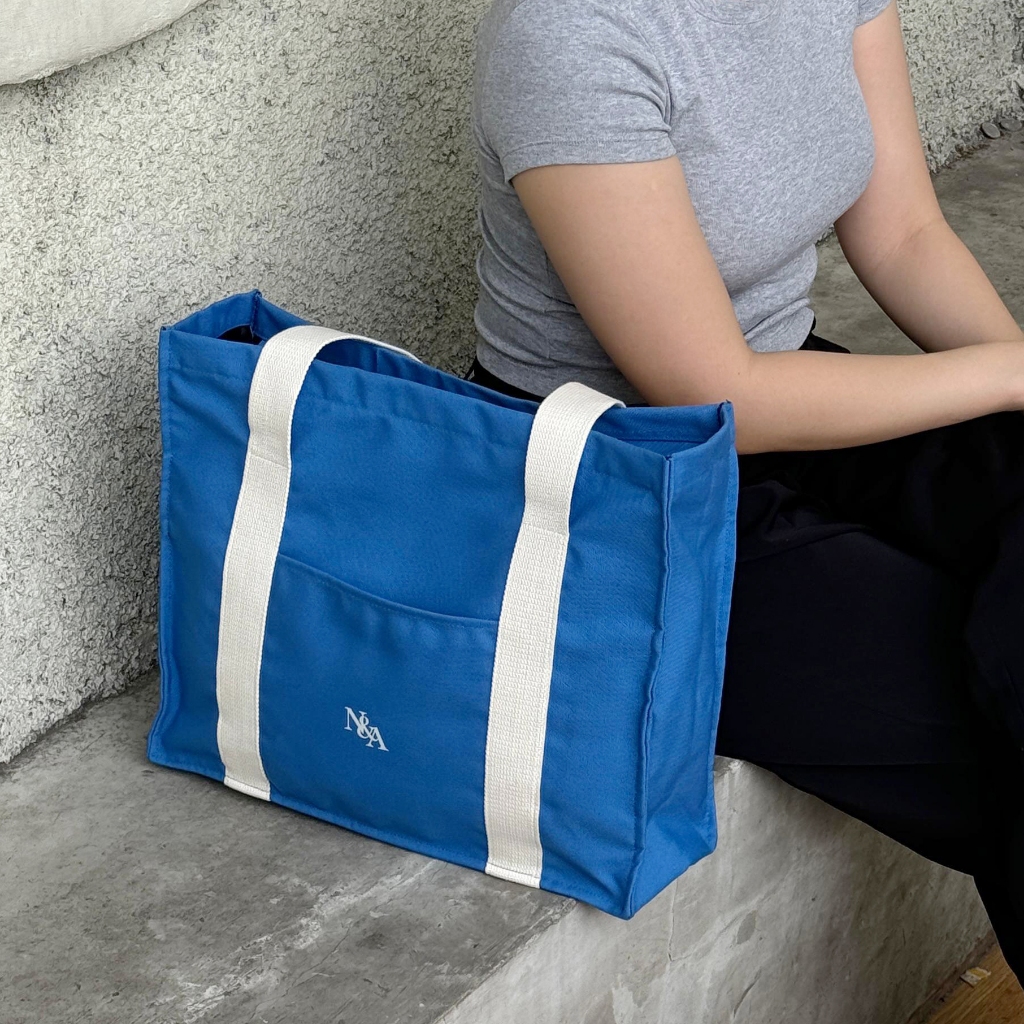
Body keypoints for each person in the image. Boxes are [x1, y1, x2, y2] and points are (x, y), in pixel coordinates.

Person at [462, 0, 1024, 982]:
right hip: (614, 483)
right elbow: (717, 391)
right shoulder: (572, 33)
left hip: (794, 389)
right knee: (990, 718)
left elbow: (902, 232)